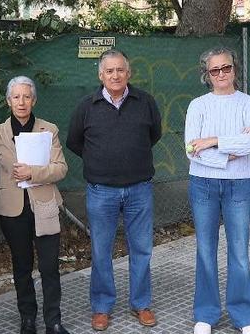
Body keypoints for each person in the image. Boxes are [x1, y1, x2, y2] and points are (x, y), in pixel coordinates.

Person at [66, 49, 162, 332]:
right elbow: (74, 142)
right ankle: (101, 307)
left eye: (120, 70)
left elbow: (153, 135)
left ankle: (141, 304)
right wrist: (99, 161)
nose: (115, 75)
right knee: (101, 251)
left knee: (142, 249)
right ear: (100, 75)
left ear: (128, 73)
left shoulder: (145, 102)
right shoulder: (87, 106)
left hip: (139, 189)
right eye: (109, 71)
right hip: (101, 191)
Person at [0, 76, 71, 334]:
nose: (22, 102)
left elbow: (61, 168)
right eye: (16, 97)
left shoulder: (48, 129)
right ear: (9, 100)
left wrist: (33, 173)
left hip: (44, 205)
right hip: (12, 210)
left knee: (49, 266)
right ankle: (27, 319)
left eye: (27, 97)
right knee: (21, 266)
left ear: (34, 100)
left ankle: (53, 320)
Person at [184, 47, 250, 334]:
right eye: (214, 70)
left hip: (240, 184)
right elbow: (191, 148)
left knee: (239, 251)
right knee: (205, 249)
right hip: (203, 184)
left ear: (234, 69)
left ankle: (244, 317)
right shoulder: (198, 105)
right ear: (207, 74)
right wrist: (230, 153)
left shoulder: (249, 104)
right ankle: (206, 314)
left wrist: (214, 140)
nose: (221, 74)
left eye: (226, 68)